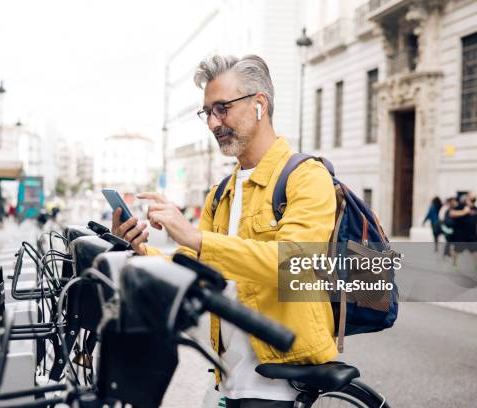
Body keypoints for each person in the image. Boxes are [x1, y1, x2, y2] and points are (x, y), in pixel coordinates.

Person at [112, 54, 338, 407]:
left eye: (222, 108)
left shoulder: (307, 176)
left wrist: (196, 237)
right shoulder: (221, 191)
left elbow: (294, 264)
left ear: (259, 104)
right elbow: (190, 266)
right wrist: (139, 250)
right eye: (208, 112)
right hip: (226, 378)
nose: (214, 123)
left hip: (278, 380)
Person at [449, 192, 477, 272]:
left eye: (474, 200)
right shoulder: (461, 206)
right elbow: (451, 213)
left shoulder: (476, 209)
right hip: (461, 234)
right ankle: (454, 265)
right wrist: (464, 212)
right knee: (457, 250)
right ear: (467, 199)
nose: (473, 201)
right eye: (472, 199)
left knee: (474, 251)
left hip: (472, 234)